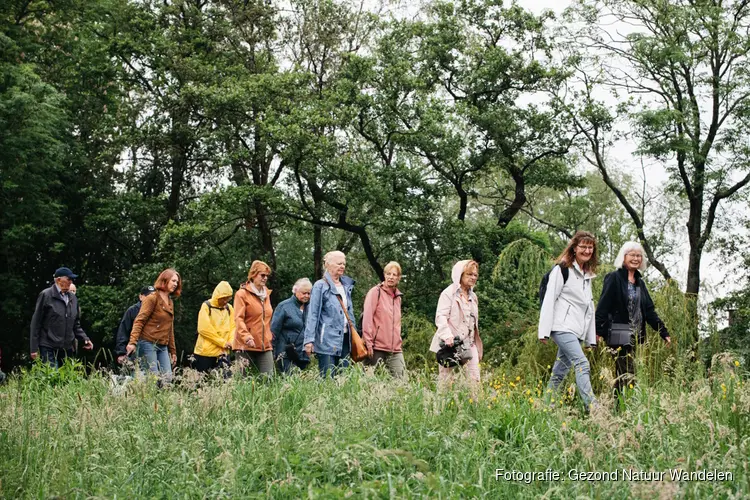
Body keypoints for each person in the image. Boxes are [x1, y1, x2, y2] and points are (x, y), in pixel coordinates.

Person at [595, 241, 671, 400]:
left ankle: (618, 407)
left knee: (623, 373)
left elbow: (649, 311)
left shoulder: (640, 283)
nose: (636, 258)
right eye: (632, 255)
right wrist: (598, 331)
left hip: (635, 333)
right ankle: (622, 407)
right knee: (628, 372)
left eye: (639, 256)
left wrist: (663, 332)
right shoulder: (614, 278)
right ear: (624, 257)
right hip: (618, 331)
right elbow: (603, 305)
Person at [538, 231, 600, 412]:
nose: (587, 250)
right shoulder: (562, 269)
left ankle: (544, 408)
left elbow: (589, 309)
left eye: (590, 247)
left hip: (577, 330)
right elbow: (549, 299)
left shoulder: (587, 275)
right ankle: (593, 408)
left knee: (560, 371)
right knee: (582, 363)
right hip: (562, 327)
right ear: (574, 248)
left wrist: (590, 339)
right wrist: (544, 331)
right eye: (583, 246)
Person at [304, 250, 358, 377]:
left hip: (345, 340)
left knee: (343, 378)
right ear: (328, 264)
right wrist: (309, 340)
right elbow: (313, 314)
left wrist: (355, 335)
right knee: (328, 378)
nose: (342, 266)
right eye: (339, 263)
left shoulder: (346, 286)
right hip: (326, 340)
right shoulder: (320, 286)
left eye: (344, 264)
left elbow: (350, 313)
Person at [429, 260, 483, 384]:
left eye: (475, 275)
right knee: (446, 381)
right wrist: (448, 336)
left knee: (475, 380)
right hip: (450, 345)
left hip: (469, 344)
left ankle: (475, 404)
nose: (473, 277)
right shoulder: (449, 293)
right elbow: (441, 316)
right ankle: (442, 403)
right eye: (469, 274)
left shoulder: (473, 297)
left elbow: (473, 323)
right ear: (460, 274)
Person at [30, 267, 94, 367]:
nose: (71, 282)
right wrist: (33, 348)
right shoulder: (46, 295)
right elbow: (36, 322)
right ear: (59, 280)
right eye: (69, 279)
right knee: (51, 376)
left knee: (66, 379)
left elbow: (76, 324)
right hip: (48, 345)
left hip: (66, 347)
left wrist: (85, 338)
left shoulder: (73, 298)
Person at [126, 269, 181, 383]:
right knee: (153, 378)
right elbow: (139, 320)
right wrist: (132, 342)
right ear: (165, 280)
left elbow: (169, 328)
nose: (176, 284)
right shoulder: (152, 298)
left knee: (167, 378)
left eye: (177, 282)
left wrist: (173, 351)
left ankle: (161, 400)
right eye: (173, 281)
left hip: (163, 345)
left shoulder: (170, 302)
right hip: (147, 342)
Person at [362, 261, 406, 378]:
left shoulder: (398, 298)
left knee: (402, 382)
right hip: (376, 347)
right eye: (388, 274)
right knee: (369, 382)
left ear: (399, 278)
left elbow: (396, 323)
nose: (391, 277)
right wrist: (368, 343)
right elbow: (367, 318)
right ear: (384, 275)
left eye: (394, 275)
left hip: (395, 348)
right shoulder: (375, 292)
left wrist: (398, 340)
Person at [233, 261, 274, 377]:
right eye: (262, 275)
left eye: (267, 276)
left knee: (268, 379)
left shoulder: (266, 295)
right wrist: (246, 336)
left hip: (264, 344)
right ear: (253, 275)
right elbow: (238, 318)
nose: (265, 278)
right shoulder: (241, 294)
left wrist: (269, 335)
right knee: (244, 382)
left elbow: (267, 318)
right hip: (245, 344)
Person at [271, 278, 312, 374]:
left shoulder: (311, 308)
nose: (306, 296)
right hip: (285, 353)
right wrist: (272, 351)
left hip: (303, 355)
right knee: (291, 380)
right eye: (303, 293)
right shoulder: (284, 306)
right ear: (295, 291)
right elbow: (274, 330)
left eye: (309, 293)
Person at [193, 281, 235, 376]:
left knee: (226, 384)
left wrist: (231, 342)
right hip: (205, 353)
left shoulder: (229, 308)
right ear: (217, 296)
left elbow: (233, 327)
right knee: (201, 384)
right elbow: (204, 329)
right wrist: (223, 343)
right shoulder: (207, 306)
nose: (225, 301)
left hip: (223, 353)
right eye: (223, 299)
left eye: (227, 299)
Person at [115, 286, 155, 365]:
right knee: (135, 374)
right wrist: (121, 352)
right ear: (141, 297)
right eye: (147, 296)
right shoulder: (132, 310)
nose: (150, 299)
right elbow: (123, 331)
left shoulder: (157, 311)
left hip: (153, 348)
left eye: (153, 296)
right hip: (134, 348)